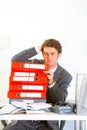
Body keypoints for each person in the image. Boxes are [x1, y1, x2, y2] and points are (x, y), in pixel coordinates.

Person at [2, 39, 72, 130]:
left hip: (45, 122)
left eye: (52, 54)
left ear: (59, 55)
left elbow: (60, 100)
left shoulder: (65, 76)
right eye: (46, 53)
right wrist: (38, 48)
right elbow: (15, 60)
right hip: (25, 119)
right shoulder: (36, 64)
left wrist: (52, 83)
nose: (49, 57)